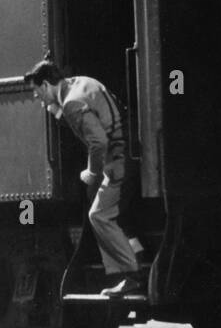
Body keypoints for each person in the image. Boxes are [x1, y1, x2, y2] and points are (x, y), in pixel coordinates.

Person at [24, 61, 143, 297]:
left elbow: (98, 142)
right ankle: (136, 253)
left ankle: (130, 275)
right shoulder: (82, 82)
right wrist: (61, 113)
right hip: (131, 149)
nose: (39, 99)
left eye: (38, 93)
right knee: (106, 205)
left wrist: (92, 172)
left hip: (117, 159)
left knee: (98, 215)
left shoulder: (71, 104)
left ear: (46, 85)